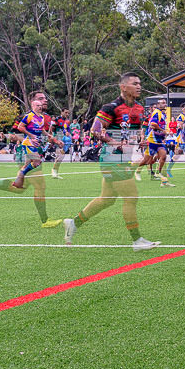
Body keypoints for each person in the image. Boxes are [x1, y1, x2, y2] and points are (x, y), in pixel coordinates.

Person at [61, 73, 159, 251]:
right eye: (134, 83)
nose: (139, 86)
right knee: (131, 197)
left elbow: (131, 132)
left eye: (140, 83)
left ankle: (73, 223)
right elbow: (95, 130)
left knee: (106, 200)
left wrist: (139, 140)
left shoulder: (138, 108)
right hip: (111, 159)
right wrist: (115, 143)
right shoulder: (111, 107)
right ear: (123, 87)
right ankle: (137, 241)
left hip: (122, 158)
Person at [0, 89, 62, 227]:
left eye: (45, 99)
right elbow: (14, 134)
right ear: (33, 102)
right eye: (41, 99)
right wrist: (29, 138)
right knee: (40, 186)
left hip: (32, 149)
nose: (45, 100)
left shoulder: (43, 117)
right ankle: (45, 221)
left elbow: (41, 132)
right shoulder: (26, 117)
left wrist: (52, 139)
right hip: (25, 150)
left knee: (19, 188)